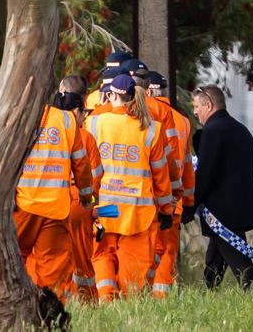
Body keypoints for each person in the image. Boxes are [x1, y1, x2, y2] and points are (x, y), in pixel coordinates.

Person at [86, 74, 173, 301]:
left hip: (104, 208)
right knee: (133, 266)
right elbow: (161, 176)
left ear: (113, 95)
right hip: (136, 212)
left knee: (102, 253)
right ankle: (128, 305)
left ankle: (106, 298)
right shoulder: (152, 130)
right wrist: (166, 211)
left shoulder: (94, 123)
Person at [14, 101, 93, 302]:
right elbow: (81, 163)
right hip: (55, 207)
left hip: (23, 204)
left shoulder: (14, 113)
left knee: (13, 260)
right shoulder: (66, 120)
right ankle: (54, 317)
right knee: (54, 271)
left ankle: (15, 309)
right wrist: (86, 196)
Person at [188, 84, 253, 290]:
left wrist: (189, 207)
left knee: (240, 264)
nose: (195, 112)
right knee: (215, 260)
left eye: (197, 106)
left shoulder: (212, 132)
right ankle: (209, 292)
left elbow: (205, 176)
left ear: (209, 105)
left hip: (221, 215)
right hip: (239, 208)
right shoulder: (241, 130)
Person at [146, 71, 196, 298]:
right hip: (175, 199)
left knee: (146, 248)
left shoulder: (146, 114)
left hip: (150, 196)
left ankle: (142, 292)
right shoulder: (184, 122)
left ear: (148, 92)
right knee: (167, 251)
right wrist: (189, 201)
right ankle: (161, 295)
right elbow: (186, 166)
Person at [55, 82, 104, 301]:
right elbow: (96, 176)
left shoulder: (51, 134)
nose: (85, 117)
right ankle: (88, 304)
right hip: (79, 206)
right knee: (83, 260)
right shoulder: (84, 138)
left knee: (56, 258)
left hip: (53, 204)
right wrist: (92, 203)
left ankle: (61, 302)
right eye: (84, 112)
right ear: (76, 112)